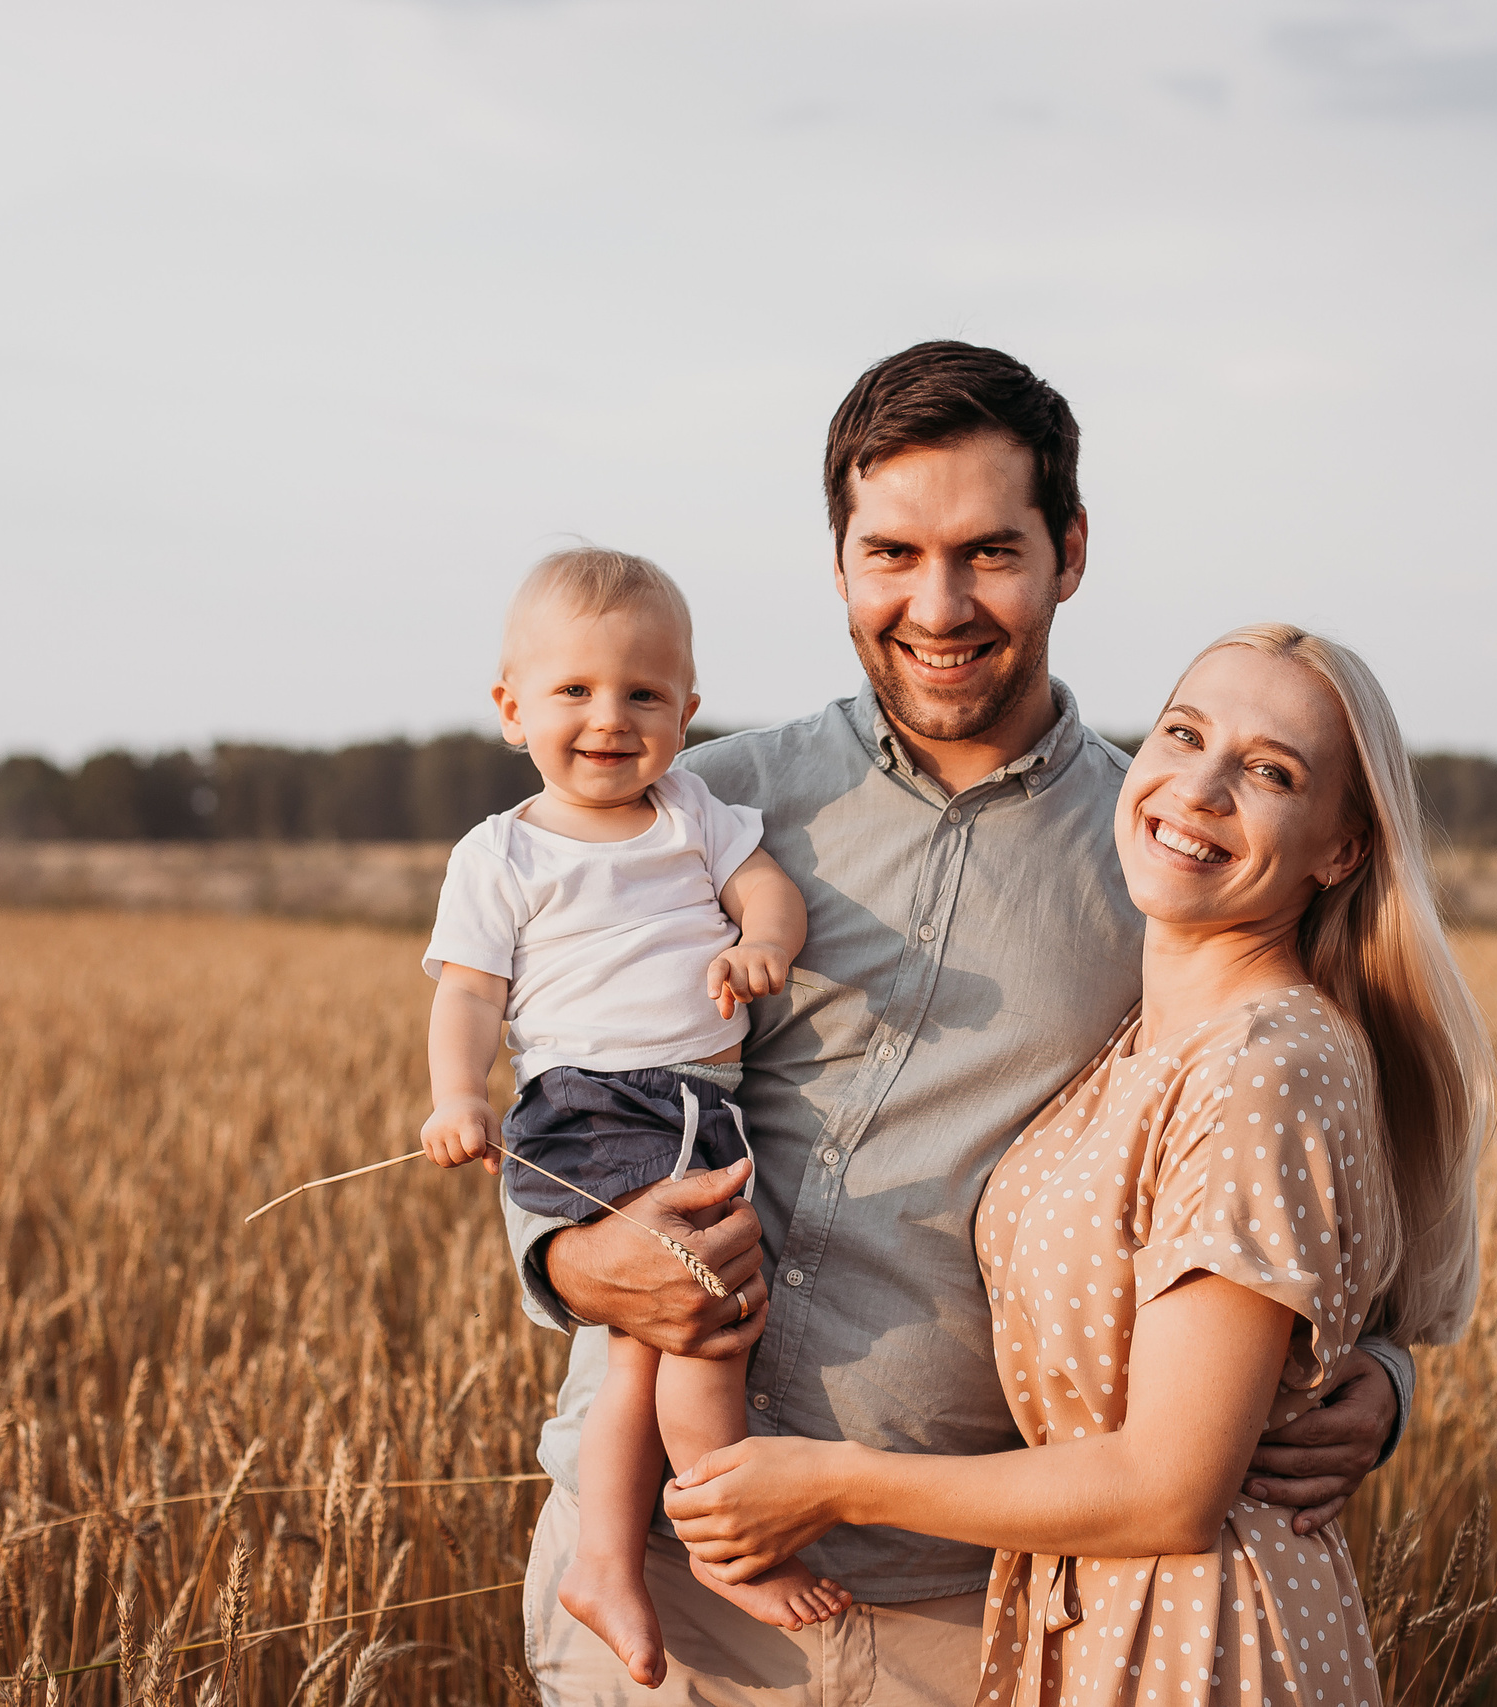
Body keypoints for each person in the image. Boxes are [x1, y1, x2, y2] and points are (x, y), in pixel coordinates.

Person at [508, 342, 1425, 1707]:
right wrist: (569, 1254)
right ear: (838, 562)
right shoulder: (700, 808)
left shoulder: (1162, 856)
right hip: (654, 1578)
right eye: (891, 553)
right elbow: (569, 1071)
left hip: (967, 1603)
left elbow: (1304, 1155)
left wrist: (1381, 1375)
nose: (937, 606)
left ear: (1070, 552)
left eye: (990, 552)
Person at [664, 624, 1493, 1707]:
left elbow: (1169, 1490)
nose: (1199, 788)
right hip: (1091, 1613)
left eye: (1270, 772)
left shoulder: (1266, 1064)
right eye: (1183, 733)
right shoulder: (1147, 1035)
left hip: (1196, 1638)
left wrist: (835, 1483)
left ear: (1340, 849)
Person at [417, 547, 852, 1687]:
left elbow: (767, 892)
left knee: (642, 1349)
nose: (610, 717)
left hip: (699, 1104)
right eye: (574, 689)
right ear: (512, 708)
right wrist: (459, 1096)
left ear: (687, 713)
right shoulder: (503, 852)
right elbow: (468, 995)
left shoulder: (692, 811)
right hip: (589, 1106)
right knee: (707, 1328)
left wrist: (764, 945)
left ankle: (608, 1559)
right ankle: (723, 1544)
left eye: (643, 693)